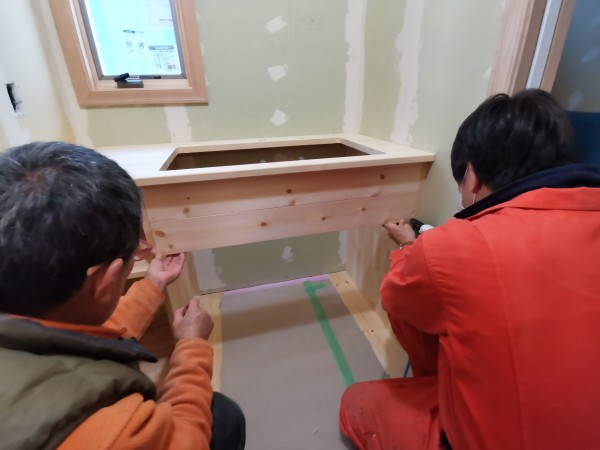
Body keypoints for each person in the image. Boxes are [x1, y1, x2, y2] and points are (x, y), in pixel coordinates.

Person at [339, 89, 600, 449]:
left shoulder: (457, 247)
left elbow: (395, 296)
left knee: (356, 404)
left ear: (472, 177)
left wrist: (409, 250)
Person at [0, 142, 245, 449]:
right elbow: (188, 441)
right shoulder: (105, 431)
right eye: (133, 256)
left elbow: (81, 332)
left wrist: (153, 284)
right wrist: (192, 345)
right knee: (223, 417)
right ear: (105, 280)